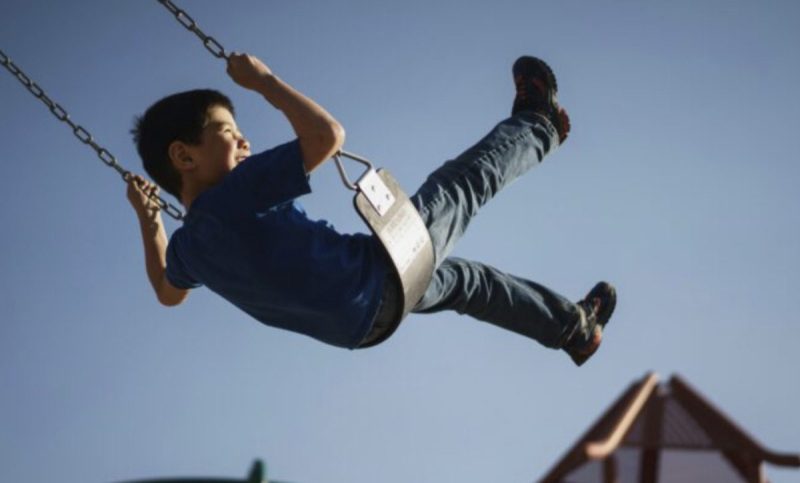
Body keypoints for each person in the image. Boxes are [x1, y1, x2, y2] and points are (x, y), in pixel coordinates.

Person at [126, 53, 616, 366]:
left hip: (361, 326)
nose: (243, 139)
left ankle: (573, 329)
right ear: (184, 156)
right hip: (375, 278)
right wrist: (264, 81)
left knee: (470, 284)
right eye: (227, 131)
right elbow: (326, 137)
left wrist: (151, 224)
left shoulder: (189, 247)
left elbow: (168, 292)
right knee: (459, 187)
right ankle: (540, 124)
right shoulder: (235, 195)